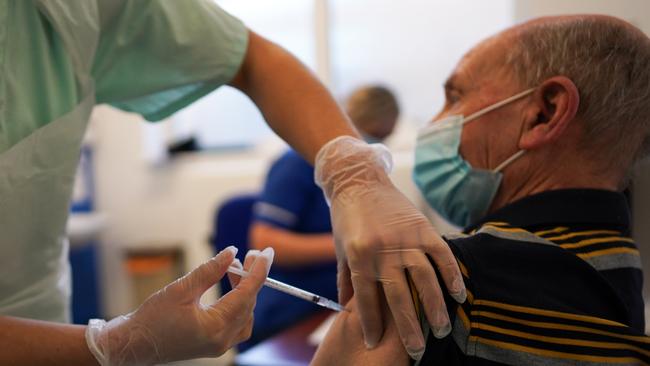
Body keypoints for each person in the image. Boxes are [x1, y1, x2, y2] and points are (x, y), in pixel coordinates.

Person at [0, 1, 463, 364]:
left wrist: (355, 171)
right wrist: (113, 345)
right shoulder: (289, 167)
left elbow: (253, 59)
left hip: (43, 308)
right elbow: (266, 239)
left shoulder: (75, 10)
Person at [312, 14, 650, 365]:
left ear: (544, 113)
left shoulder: (434, 283)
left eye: (455, 97)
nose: (434, 123)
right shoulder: (622, 267)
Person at [246, 86, 400, 346]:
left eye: (383, 137)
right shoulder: (297, 164)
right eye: (372, 134)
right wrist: (346, 245)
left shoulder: (361, 172)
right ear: (349, 122)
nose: (373, 144)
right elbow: (264, 241)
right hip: (293, 309)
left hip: (336, 303)